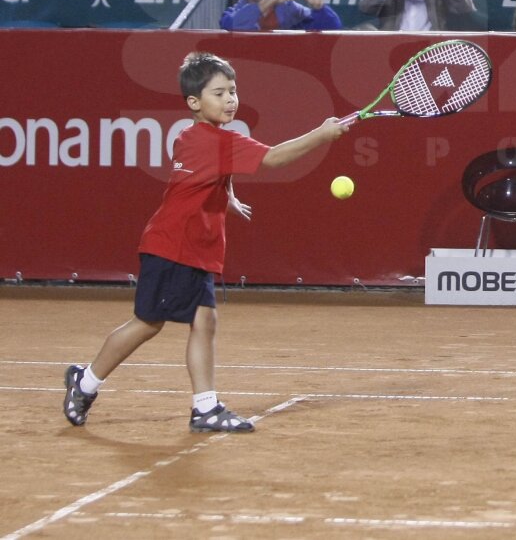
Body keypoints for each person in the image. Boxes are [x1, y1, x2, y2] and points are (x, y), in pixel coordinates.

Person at [61, 51, 348, 433]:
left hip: (194, 250)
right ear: (195, 103)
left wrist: (226, 198)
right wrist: (322, 134)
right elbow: (275, 159)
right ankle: (85, 382)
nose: (230, 99)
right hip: (172, 247)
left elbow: (200, 176)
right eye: (219, 93)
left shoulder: (192, 137)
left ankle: (205, 408)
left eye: (233, 91)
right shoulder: (216, 142)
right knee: (147, 324)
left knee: (204, 320)